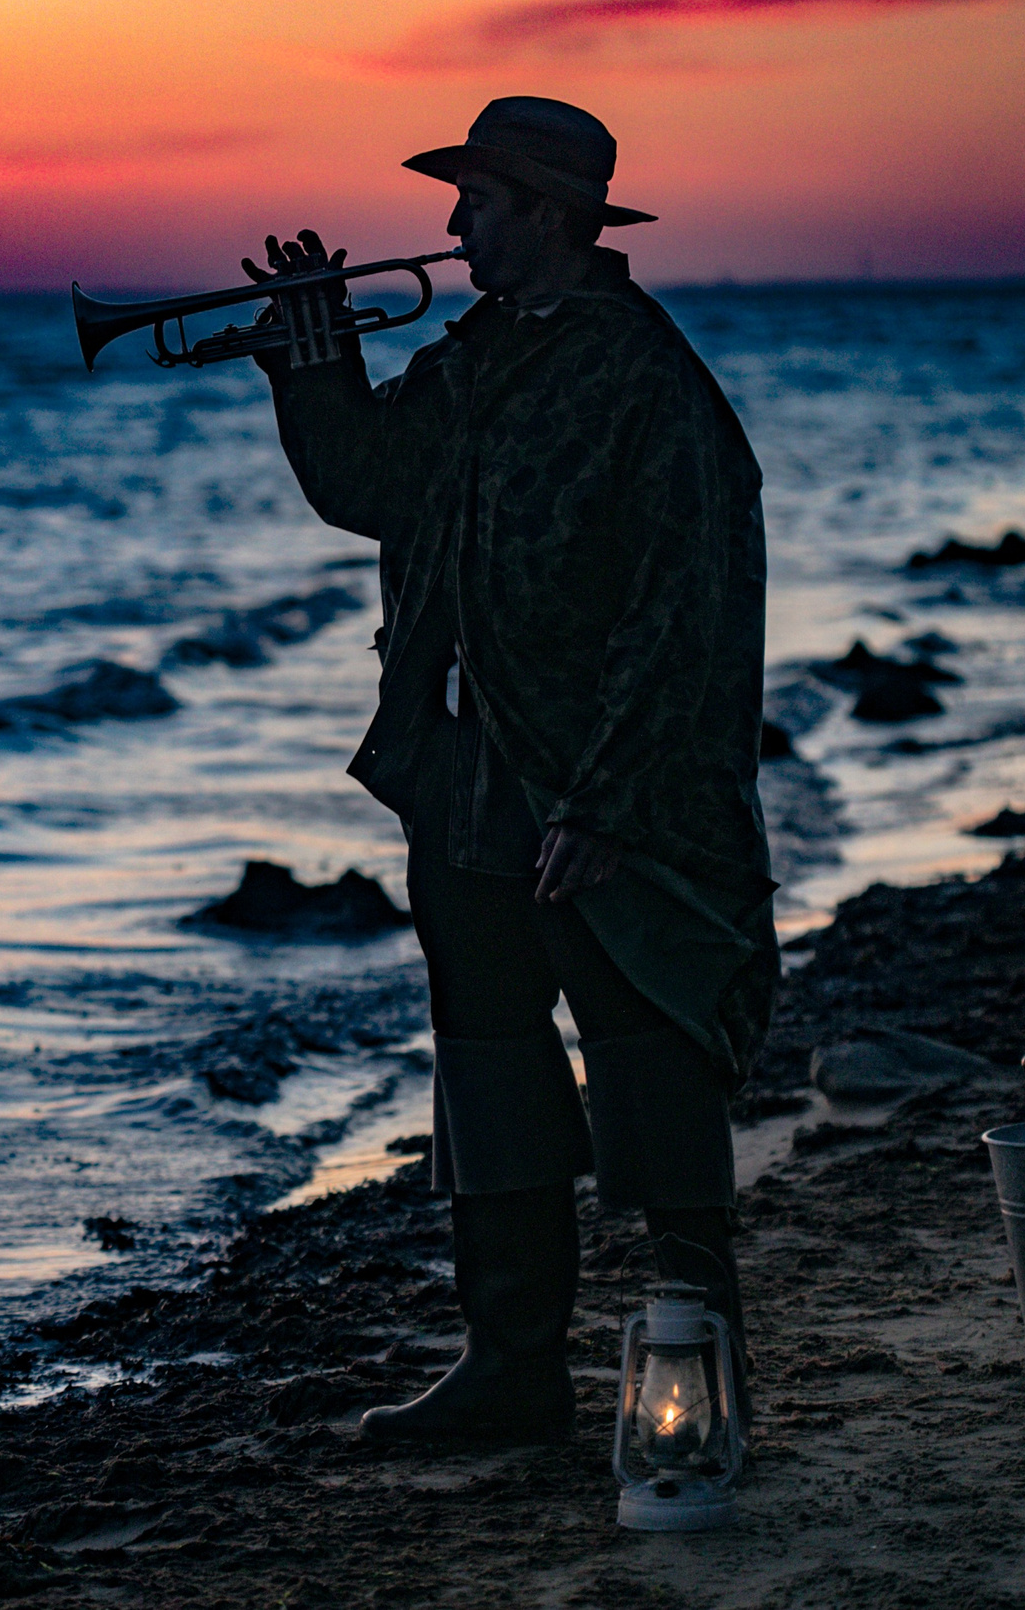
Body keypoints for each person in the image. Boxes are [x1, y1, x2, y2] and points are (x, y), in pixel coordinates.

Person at [248, 97, 776, 1444]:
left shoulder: (645, 380)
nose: (448, 225)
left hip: (591, 786)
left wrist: (608, 802)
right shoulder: (476, 355)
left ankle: (698, 1357)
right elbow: (370, 486)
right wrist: (309, 365)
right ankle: (510, 1365)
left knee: (648, 1054)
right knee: (487, 1062)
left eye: (475, 201)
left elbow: (687, 609)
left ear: (547, 215)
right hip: (469, 768)